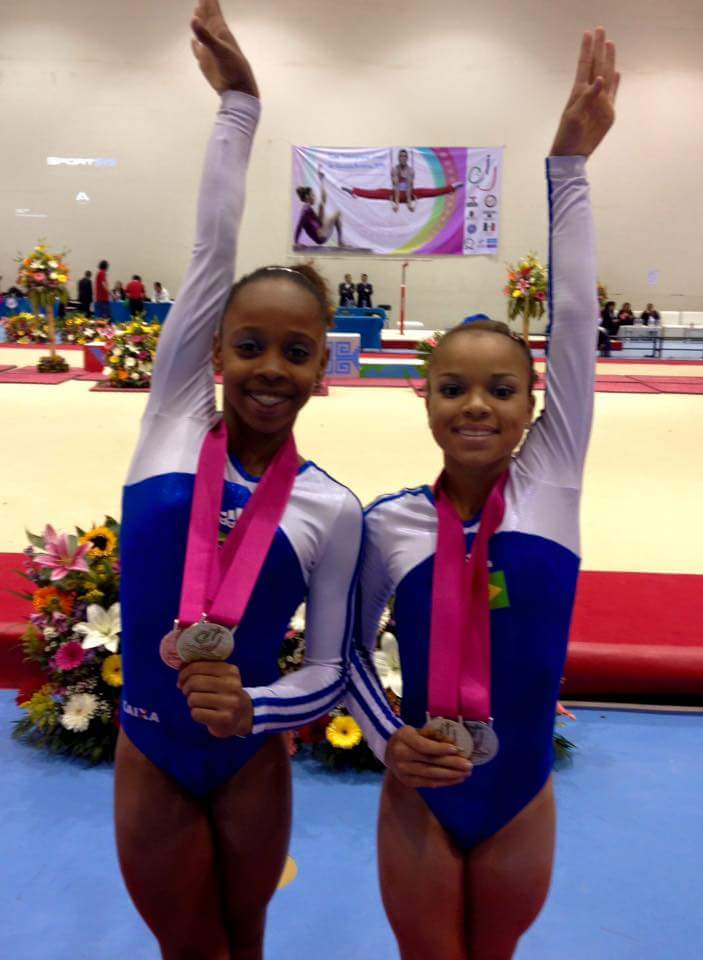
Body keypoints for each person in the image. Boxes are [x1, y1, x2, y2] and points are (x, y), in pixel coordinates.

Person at [347, 27, 619, 960]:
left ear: (533, 405)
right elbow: (347, 653)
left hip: (518, 794)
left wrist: (569, 166)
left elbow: (575, 323)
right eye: (453, 387)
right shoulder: (387, 526)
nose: (476, 405)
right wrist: (385, 737)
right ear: (422, 398)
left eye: (502, 389)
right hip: (420, 792)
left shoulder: (551, 485)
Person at [113, 5, 362, 959]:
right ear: (213, 351)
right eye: (249, 344)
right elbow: (210, 251)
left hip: (251, 757)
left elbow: (329, 669)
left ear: (323, 370)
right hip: (153, 748)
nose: (269, 368)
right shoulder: (172, 424)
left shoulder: (332, 509)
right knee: (190, 950)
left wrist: (263, 708)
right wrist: (240, 107)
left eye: (296, 352)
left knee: (245, 944)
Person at [294, 170, 345, 248]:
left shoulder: (308, 208)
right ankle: (340, 242)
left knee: (322, 205)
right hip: (320, 236)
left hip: (320, 231)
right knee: (337, 213)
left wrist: (321, 181)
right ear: (307, 197)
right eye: (313, 195)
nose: (315, 197)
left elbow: (324, 198)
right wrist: (296, 242)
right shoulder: (305, 210)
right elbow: (299, 226)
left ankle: (340, 242)